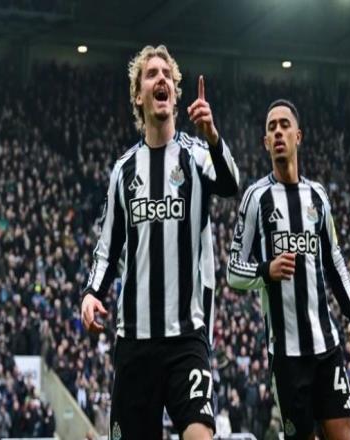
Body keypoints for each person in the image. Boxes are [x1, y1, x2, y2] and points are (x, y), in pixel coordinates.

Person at [80, 44, 239, 439]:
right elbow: (107, 248)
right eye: (152, 74)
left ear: (175, 94)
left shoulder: (197, 155)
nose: (161, 79)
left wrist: (213, 135)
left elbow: (230, 184)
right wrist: (92, 292)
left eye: (167, 74)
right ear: (139, 95)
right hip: (134, 340)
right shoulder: (124, 170)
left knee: (200, 434)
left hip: (186, 336)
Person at [227, 99, 350, 439]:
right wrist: (266, 270)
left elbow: (335, 262)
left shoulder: (317, 196)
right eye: (271, 128)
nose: (278, 132)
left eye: (284, 125)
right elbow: (233, 272)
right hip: (287, 357)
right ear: (265, 142)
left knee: (345, 434)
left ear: (298, 136)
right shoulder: (256, 198)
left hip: (326, 346)